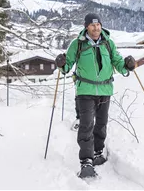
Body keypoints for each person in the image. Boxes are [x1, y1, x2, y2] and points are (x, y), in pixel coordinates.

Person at [55, 13, 136, 178]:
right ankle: (86, 162)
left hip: (105, 90)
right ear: (86, 27)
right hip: (85, 91)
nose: (96, 28)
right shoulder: (77, 44)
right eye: (92, 25)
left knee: (101, 124)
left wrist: (127, 66)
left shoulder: (108, 43)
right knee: (86, 125)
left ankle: (98, 153)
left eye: (98, 24)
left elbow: (118, 63)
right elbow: (67, 66)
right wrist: (62, 63)